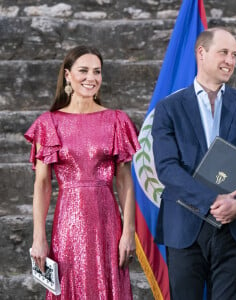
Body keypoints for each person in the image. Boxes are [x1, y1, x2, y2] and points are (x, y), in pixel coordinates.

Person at [151, 28, 236, 300]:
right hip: (184, 226)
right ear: (201, 53)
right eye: (224, 52)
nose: (230, 60)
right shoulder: (169, 108)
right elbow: (167, 167)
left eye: (235, 54)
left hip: (235, 227)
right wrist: (213, 201)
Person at [25, 45, 140, 299]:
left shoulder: (116, 120)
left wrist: (128, 231)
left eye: (97, 71)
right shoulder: (48, 123)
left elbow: (124, 181)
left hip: (107, 223)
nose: (92, 78)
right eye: (84, 70)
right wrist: (38, 238)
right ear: (68, 75)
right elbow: (42, 185)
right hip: (67, 224)